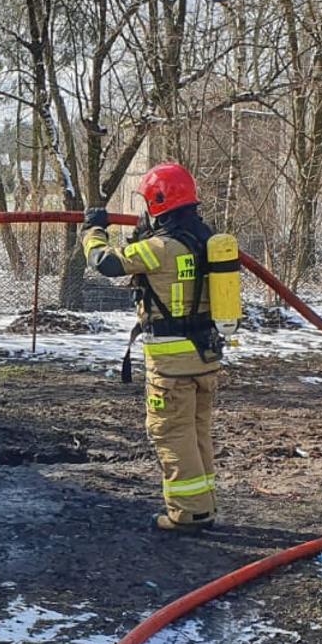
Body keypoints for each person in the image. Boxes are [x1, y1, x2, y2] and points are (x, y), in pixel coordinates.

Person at [81, 163, 237, 533]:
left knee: (170, 433)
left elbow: (104, 262)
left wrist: (92, 230)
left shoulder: (159, 248)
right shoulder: (205, 240)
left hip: (172, 364)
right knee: (197, 431)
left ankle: (187, 514)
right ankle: (203, 505)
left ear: (159, 202)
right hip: (205, 357)